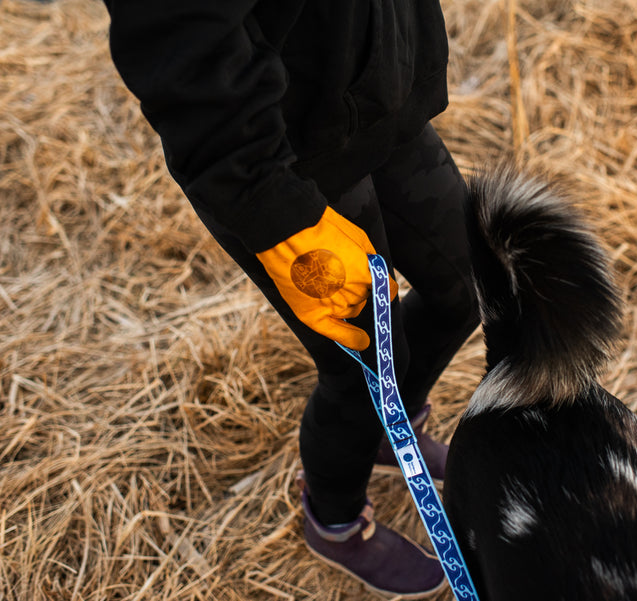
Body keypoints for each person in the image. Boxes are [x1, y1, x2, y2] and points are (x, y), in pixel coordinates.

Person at [100, 1, 480, 597]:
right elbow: (176, 41)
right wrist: (275, 213)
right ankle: (333, 519)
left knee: (466, 286)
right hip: (286, 157)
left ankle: (389, 429)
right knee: (365, 367)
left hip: (381, 95)